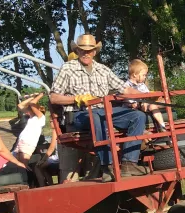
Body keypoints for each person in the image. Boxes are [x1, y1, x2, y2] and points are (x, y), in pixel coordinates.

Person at [49, 34, 148, 181]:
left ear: (95, 52)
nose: (86, 53)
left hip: (103, 111)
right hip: (78, 115)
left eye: (90, 50)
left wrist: (147, 96)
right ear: (77, 51)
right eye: (82, 50)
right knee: (97, 116)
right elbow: (53, 97)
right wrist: (76, 99)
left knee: (138, 116)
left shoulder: (103, 70)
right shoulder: (67, 69)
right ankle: (106, 166)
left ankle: (129, 163)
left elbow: (125, 90)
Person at [121, 59, 169, 143]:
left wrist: (148, 100)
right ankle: (142, 132)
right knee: (136, 113)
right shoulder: (126, 85)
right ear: (135, 74)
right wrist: (134, 104)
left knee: (153, 105)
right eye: (143, 75)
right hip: (131, 108)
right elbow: (126, 99)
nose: (145, 77)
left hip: (143, 106)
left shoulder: (142, 85)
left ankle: (163, 128)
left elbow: (147, 95)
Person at [12, 93, 46, 163]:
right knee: (16, 163)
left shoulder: (41, 118)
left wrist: (41, 94)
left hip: (28, 144)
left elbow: (32, 103)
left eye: (30, 109)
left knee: (23, 164)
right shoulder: (32, 117)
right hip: (20, 142)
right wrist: (31, 97)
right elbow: (20, 105)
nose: (28, 110)